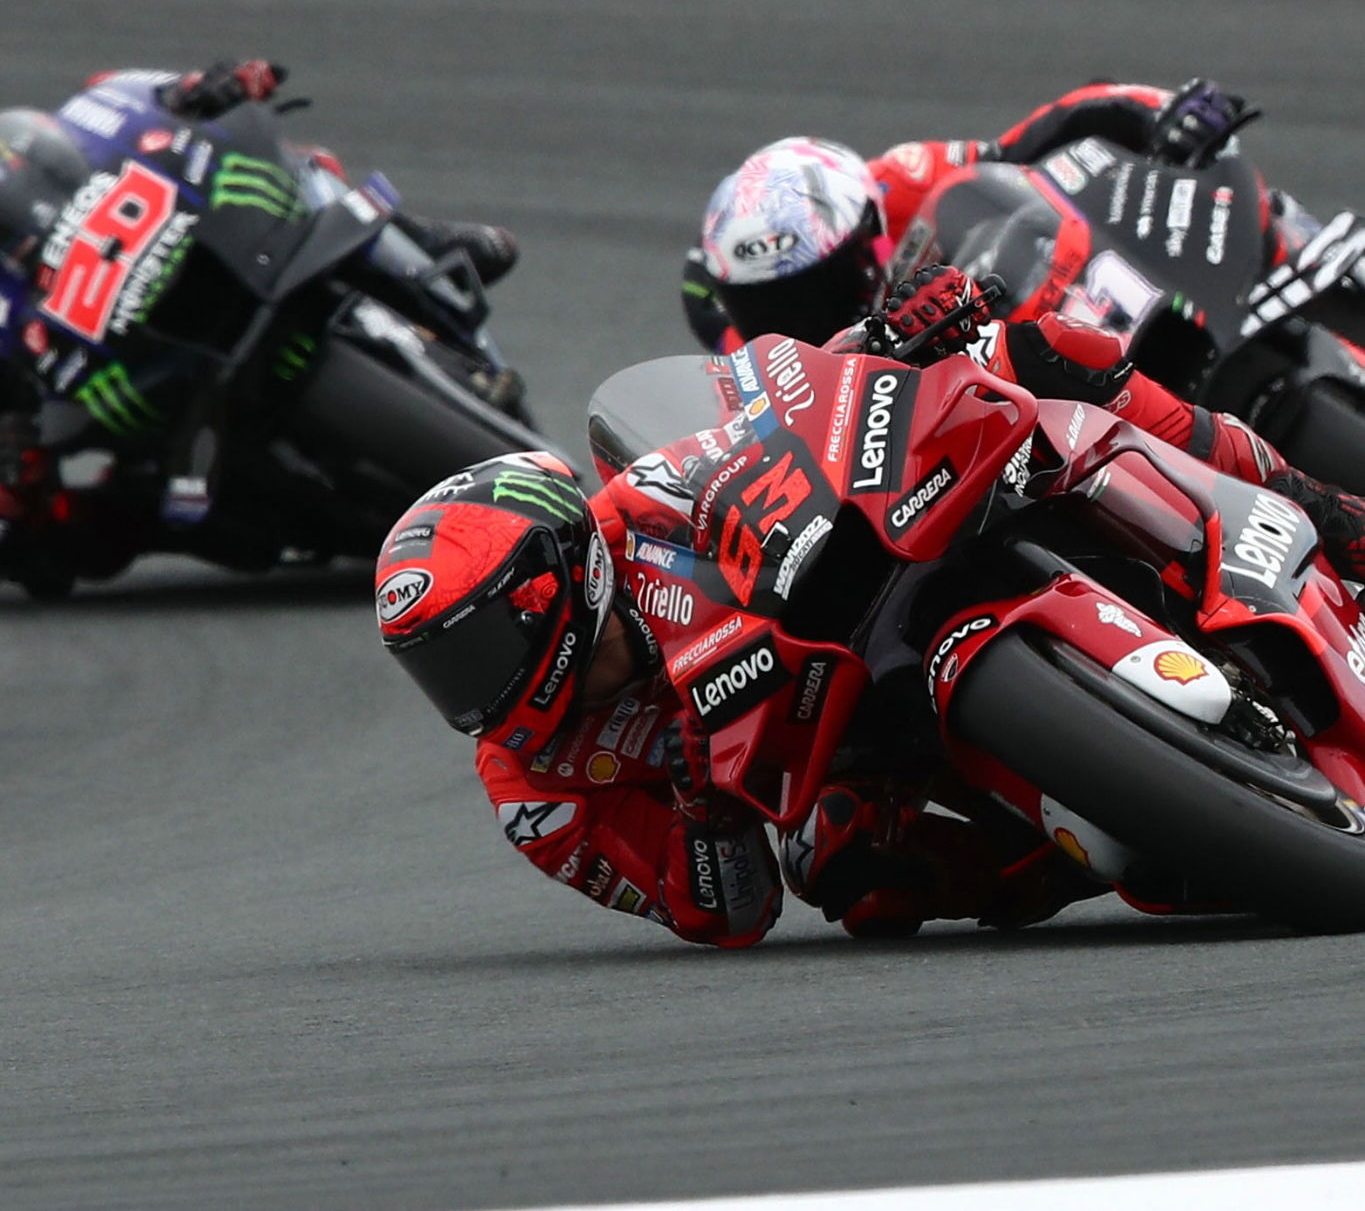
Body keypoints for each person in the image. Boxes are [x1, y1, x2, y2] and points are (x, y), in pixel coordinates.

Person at [375, 264, 1365, 947]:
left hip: (875, 559)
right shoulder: (536, 794)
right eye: (440, 671)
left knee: (1039, 360)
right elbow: (725, 912)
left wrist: (887, 338)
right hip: (850, 743)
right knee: (845, 862)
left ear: (556, 576)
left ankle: (1319, 511)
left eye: (477, 645)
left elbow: (766, 416)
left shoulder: (638, 509)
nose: (475, 690)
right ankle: (1115, 839)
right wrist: (698, 804)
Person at [0, 59, 520, 594]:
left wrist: (223, 83)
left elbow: (177, 92)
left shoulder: (99, 109)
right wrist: (19, 473)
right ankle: (312, 517)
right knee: (71, 538)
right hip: (154, 382)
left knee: (311, 170)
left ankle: (428, 245)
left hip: (228, 252)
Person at [680, 78, 1316, 353]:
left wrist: (1163, 113)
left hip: (1060, 301)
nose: (799, 315)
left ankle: (1314, 270)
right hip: (1002, 425)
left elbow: (1042, 135)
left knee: (1255, 212)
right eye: (770, 304)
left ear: (864, 226)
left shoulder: (893, 179)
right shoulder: (753, 359)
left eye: (815, 283)